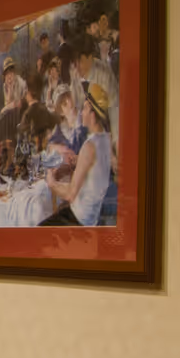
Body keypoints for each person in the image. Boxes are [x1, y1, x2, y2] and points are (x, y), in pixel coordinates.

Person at [42, 82, 114, 226]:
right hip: (91, 215)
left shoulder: (89, 146)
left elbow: (70, 194)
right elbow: (94, 169)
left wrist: (52, 183)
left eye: (85, 108)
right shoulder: (106, 139)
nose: (82, 112)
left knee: (38, 232)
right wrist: (79, 160)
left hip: (80, 218)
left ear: (93, 115)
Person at [71, 33, 121, 158]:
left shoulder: (104, 74)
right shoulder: (75, 74)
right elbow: (75, 109)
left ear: (90, 58)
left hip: (105, 137)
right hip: (85, 140)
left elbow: (115, 111)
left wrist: (116, 147)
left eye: (80, 61)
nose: (77, 67)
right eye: (74, 62)